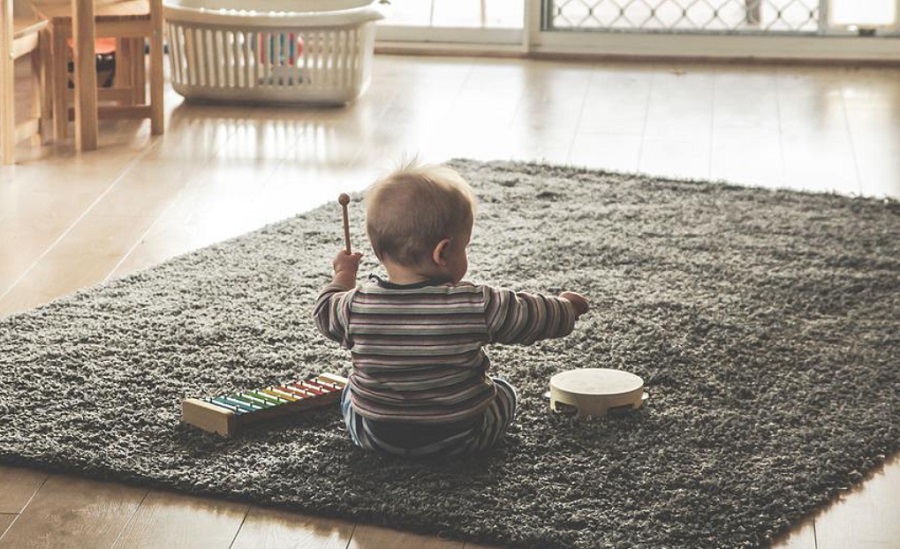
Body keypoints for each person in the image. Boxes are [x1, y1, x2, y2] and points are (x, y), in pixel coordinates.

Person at [314, 161, 589, 459]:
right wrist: (567, 308)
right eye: (465, 247)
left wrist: (343, 275)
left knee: (349, 392)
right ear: (443, 252)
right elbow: (530, 315)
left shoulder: (354, 306)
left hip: (376, 436)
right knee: (505, 391)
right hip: (461, 437)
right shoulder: (476, 303)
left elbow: (324, 310)